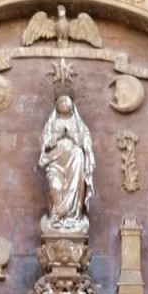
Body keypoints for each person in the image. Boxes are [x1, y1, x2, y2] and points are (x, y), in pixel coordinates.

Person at [38, 92, 95, 233]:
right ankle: (56, 218)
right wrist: (57, 136)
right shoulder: (52, 123)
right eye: (60, 100)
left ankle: (72, 218)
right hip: (55, 160)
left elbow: (86, 141)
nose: (63, 102)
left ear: (72, 105)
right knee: (55, 186)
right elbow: (44, 142)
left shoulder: (78, 123)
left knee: (74, 187)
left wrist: (72, 135)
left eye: (66, 100)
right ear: (56, 106)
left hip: (75, 159)